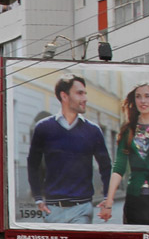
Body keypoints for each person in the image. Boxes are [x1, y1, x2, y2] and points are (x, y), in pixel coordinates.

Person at [26, 75, 113, 224]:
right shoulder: (43, 128)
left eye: (85, 93)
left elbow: (106, 166)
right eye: (80, 93)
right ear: (64, 96)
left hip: (82, 209)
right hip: (53, 210)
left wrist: (107, 198)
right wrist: (38, 198)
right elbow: (32, 164)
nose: (85, 98)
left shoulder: (93, 131)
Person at [100, 83, 149, 226]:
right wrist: (109, 201)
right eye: (138, 97)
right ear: (134, 101)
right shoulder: (127, 129)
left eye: (147, 96)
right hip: (134, 198)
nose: (143, 101)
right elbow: (119, 167)